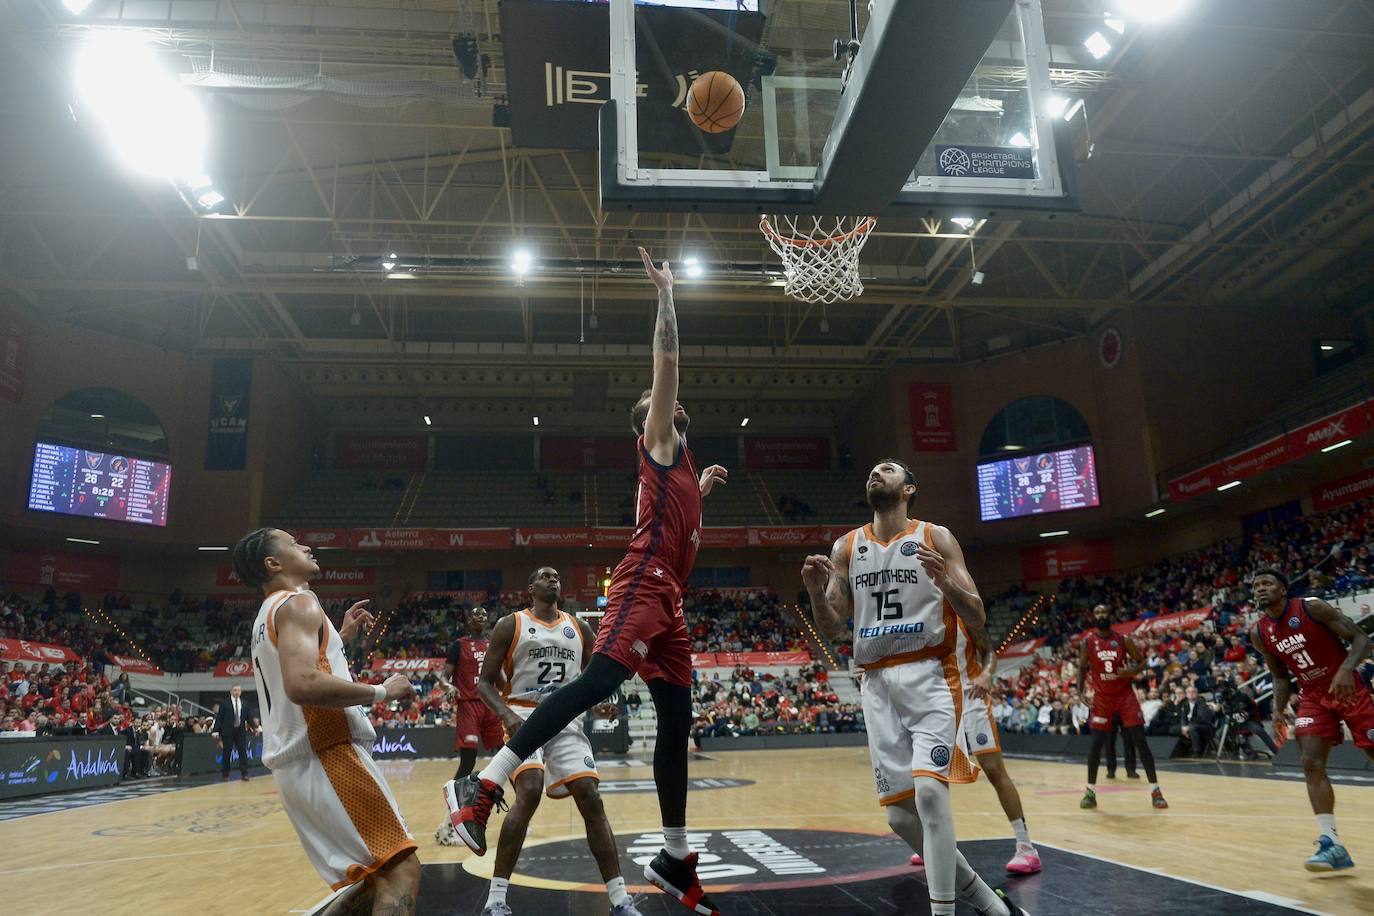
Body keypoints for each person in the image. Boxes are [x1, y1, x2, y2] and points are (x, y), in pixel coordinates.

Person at [447, 249, 730, 916]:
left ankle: (675, 856)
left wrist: (704, 493)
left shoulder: (682, 470)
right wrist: (666, 295)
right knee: (598, 683)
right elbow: (666, 362)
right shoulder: (658, 439)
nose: (667, 402)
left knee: (677, 717)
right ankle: (485, 787)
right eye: (655, 407)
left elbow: (673, 524)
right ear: (649, 423)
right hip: (644, 582)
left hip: (671, 600)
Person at [802, 459, 1025, 916]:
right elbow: (832, 622)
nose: (875, 473)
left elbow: (977, 615)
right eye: (872, 470)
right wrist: (812, 591)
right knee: (899, 817)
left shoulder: (935, 537)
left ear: (909, 489)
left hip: (930, 675)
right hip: (876, 683)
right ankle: (988, 903)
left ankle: (943, 911)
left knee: (929, 794)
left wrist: (944, 580)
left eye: (887, 470)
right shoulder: (848, 547)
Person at [233, 528, 421, 915]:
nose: (306, 546)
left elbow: (307, 664)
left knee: (370, 880)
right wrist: (381, 690)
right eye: (293, 544)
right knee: (400, 870)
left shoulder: (269, 612)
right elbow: (303, 684)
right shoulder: (299, 604)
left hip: (300, 765)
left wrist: (339, 635)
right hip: (327, 753)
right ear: (273, 563)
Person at [474, 567, 641, 916]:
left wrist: (601, 703)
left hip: (566, 720)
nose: (554, 580)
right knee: (530, 791)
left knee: (591, 797)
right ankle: (496, 900)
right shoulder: (511, 624)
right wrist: (506, 716)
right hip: (524, 717)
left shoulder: (579, 628)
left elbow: (595, 680)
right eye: (545, 576)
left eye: (557, 576)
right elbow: (485, 683)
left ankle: (620, 899)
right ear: (530, 587)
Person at [1250, 568, 1374, 871]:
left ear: (1283, 589)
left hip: (1346, 687)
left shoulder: (1311, 607)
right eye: (1256, 586)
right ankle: (1331, 844)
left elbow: (1361, 640)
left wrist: (1346, 669)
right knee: (1310, 762)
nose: (1260, 589)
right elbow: (1280, 677)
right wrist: (1278, 711)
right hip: (1312, 696)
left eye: (1267, 584)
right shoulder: (1259, 631)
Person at [911, 620, 1041, 876]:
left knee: (994, 769)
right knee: (932, 775)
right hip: (937, 700)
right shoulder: (918, 611)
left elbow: (989, 653)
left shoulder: (963, 611)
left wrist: (986, 673)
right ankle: (933, 844)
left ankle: (1026, 847)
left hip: (972, 696)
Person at [1078, 606, 1167, 810]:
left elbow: (1142, 662)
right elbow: (1082, 668)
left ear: (1110, 616)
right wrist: (1080, 692)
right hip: (1102, 698)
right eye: (1097, 613)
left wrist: (1131, 671)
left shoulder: (1124, 640)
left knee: (1140, 741)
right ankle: (1090, 792)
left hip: (1125, 696)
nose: (1101, 615)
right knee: (1096, 745)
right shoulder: (1088, 642)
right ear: (1094, 617)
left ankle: (1156, 791)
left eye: (1103, 612)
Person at [434, 606, 505, 847]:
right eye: (476, 614)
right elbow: (443, 677)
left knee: (507, 756)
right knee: (468, 763)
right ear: (468, 619)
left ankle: (520, 814)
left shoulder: (493, 644)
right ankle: (448, 823)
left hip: (491, 705)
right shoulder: (458, 645)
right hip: (469, 705)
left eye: (485, 614)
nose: (481, 617)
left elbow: (503, 680)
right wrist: (448, 688)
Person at [213, 684, 259, 782]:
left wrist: (255, 727)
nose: (237, 692)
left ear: (241, 692)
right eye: (235, 690)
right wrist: (216, 730)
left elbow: (249, 717)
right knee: (227, 753)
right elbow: (219, 718)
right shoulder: (225, 703)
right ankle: (225, 775)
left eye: (238, 690)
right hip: (228, 731)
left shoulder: (244, 703)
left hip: (240, 731)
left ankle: (245, 774)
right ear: (231, 692)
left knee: (243, 753)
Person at [1177, 685, 1215, 757]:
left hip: (1205, 726)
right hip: (1190, 725)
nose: (1191, 693)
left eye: (1193, 692)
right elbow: (1183, 717)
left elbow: (1201, 718)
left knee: (1192, 728)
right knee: (1173, 729)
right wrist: (1183, 726)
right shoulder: (1185, 703)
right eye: (1189, 692)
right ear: (1186, 694)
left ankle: (1197, 751)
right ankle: (1183, 750)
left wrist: (1188, 726)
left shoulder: (1201, 703)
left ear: (1197, 693)